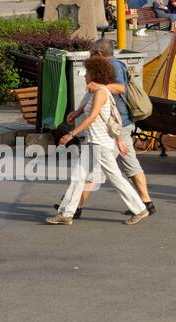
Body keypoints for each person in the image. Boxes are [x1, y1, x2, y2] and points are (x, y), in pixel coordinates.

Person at [47, 54, 149, 226]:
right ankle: (66, 213)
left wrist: (71, 134)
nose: (85, 75)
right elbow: (108, 117)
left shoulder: (101, 93)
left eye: (87, 72)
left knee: (115, 178)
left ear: (94, 73)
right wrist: (77, 113)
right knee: (78, 177)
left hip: (99, 144)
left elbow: (93, 117)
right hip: (92, 143)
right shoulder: (97, 91)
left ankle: (139, 209)